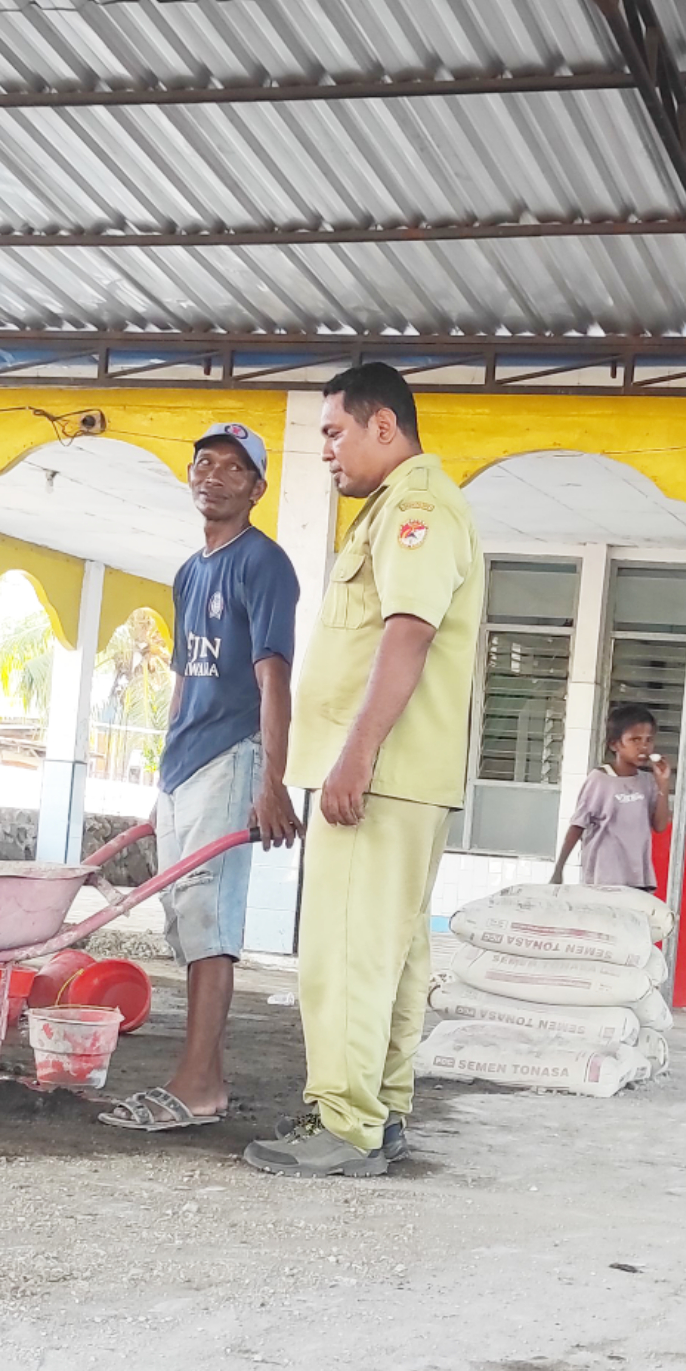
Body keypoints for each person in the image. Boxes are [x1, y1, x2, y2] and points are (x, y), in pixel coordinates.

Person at [245, 363, 483, 1180]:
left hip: (379, 777)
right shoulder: (405, 508)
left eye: (334, 432)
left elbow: (407, 632)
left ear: (385, 426)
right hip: (404, 775)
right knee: (391, 954)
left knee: (347, 951)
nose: (325, 453)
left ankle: (343, 1125)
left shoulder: (413, 509)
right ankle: (379, 1115)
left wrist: (353, 756)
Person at [101, 423, 302, 1132]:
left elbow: (272, 676)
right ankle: (206, 1081)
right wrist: (163, 779)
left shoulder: (263, 563)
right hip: (185, 764)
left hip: (235, 753)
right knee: (185, 919)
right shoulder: (191, 571)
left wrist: (272, 780)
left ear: (256, 487)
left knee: (211, 921)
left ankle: (192, 1084)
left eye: (232, 467)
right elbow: (187, 677)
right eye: (203, 462)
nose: (211, 474)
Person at [551, 703, 669, 890]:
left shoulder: (648, 781)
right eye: (635, 740)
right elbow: (578, 825)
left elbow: (660, 825)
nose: (643, 747)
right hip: (605, 877)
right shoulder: (600, 779)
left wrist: (663, 784)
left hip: (639, 878)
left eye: (648, 740)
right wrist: (559, 869)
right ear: (615, 744)